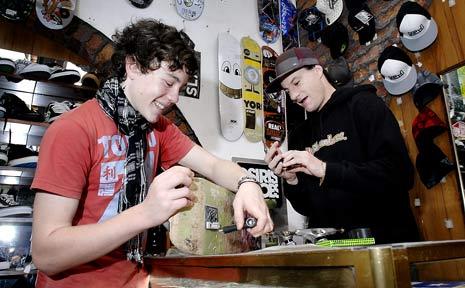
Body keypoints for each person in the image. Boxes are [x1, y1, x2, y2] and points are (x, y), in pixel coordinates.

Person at [31, 19, 273, 288]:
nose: (174, 98)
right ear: (132, 66)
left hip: (136, 281)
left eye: (180, 88)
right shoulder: (72, 130)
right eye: (169, 82)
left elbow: (214, 167)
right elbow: (46, 254)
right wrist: (147, 213)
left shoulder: (158, 129)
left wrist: (248, 184)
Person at [264, 47, 419, 244]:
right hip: (333, 256)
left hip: (386, 249)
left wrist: (324, 170)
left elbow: (400, 174)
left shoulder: (364, 105)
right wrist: (292, 181)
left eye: (297, 82)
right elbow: (307, 209)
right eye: (288, 90)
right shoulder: (300, 136)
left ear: (318, 71)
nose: (293, 96)